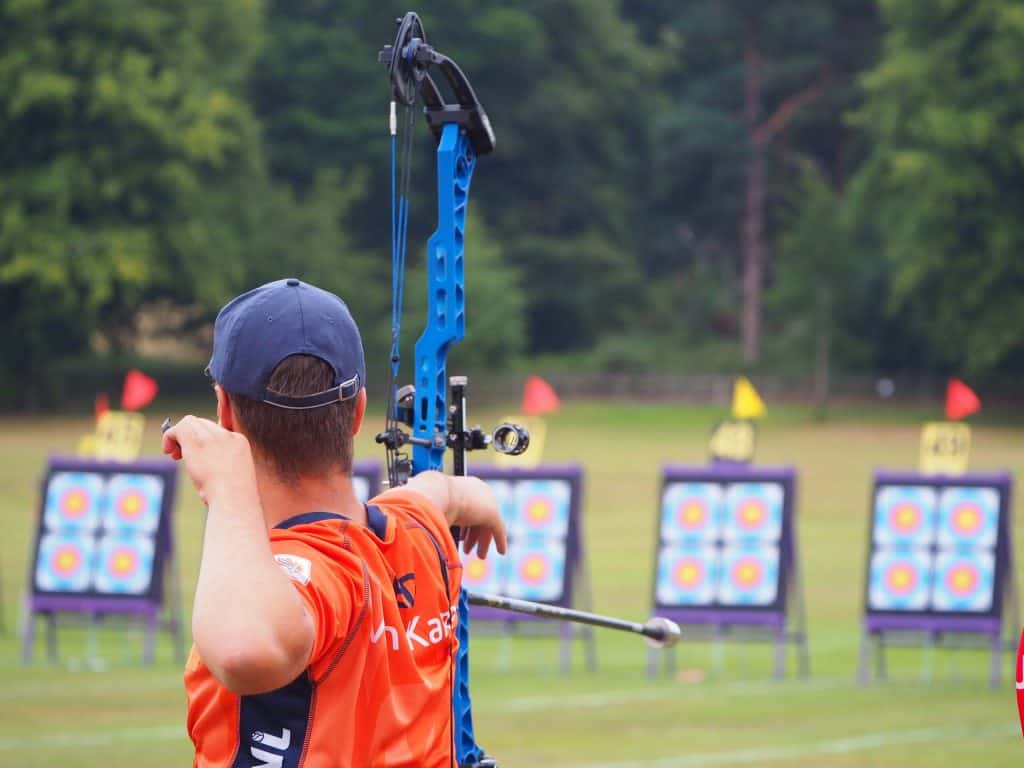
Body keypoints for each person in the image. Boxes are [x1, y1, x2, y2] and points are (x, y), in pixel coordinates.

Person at [163, 278, 506, 768]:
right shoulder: (416, 530)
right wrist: (479, 496)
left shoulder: (302, 572)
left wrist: (228, 489)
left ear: (226, 414)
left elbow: (245, 653)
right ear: (357, 413)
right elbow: (438, 493)